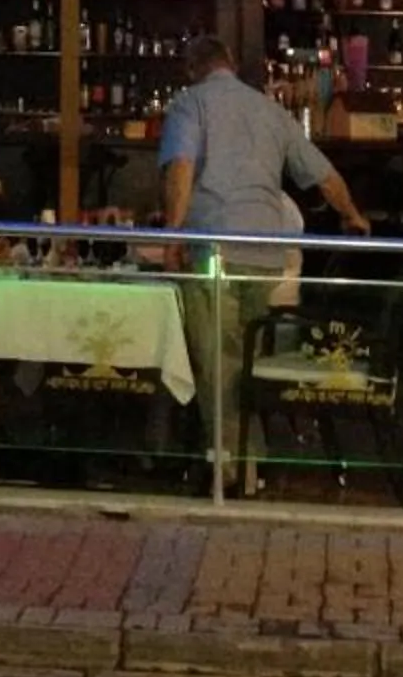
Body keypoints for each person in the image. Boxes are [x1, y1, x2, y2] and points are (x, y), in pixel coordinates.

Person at [157, 34, 369, 467]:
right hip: (266, 256)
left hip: (213, 249)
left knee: (218, 363)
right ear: (231, 61)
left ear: (191, 69)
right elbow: (323, 175)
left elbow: (180, 169)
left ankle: (230, 469)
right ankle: (251, 460)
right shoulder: (270, 110)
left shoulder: (189, 104)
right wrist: (353, 216)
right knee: (244, 361)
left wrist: (173, 235)